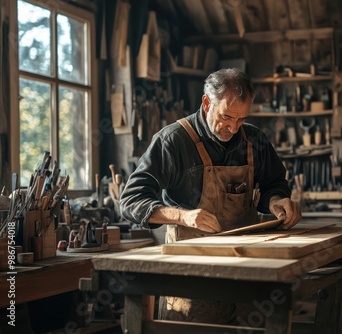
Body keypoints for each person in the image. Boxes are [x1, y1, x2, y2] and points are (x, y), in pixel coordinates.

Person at [120, 67, 301, 324]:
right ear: (206, 102)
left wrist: (277, 201)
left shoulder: (254, 140)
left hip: (247, 270)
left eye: (241, 119)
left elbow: (273, 184)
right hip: (192, 272)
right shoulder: (173, 141)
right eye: (226, 116)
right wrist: (183, 216)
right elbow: (130, 201)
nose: (233, 127)